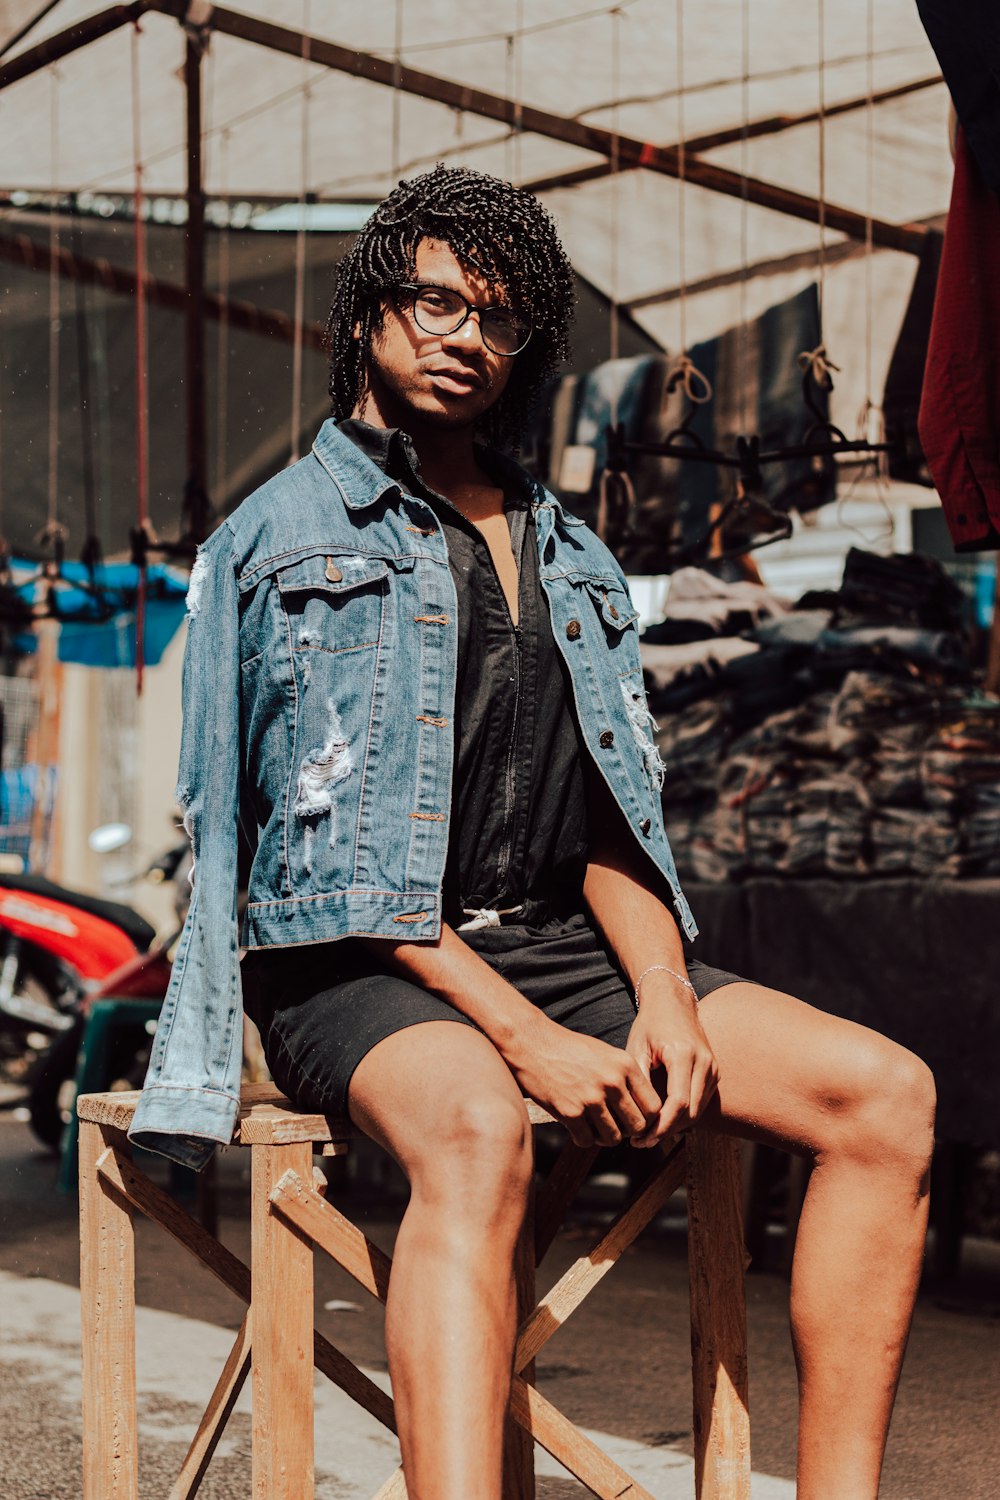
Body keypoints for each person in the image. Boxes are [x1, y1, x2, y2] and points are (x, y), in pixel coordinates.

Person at [130, 165, 935, 1500]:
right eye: (436, 302)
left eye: (500, 321)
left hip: (555, 940)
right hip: (351, 960)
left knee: (887, 1098)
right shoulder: (276, 544)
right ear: (372, 311)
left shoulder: (570, 550)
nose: (464, 340)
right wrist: (527, 1036)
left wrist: (664, 994)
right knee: (477, 1127)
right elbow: (319, 866)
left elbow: (613, 819)